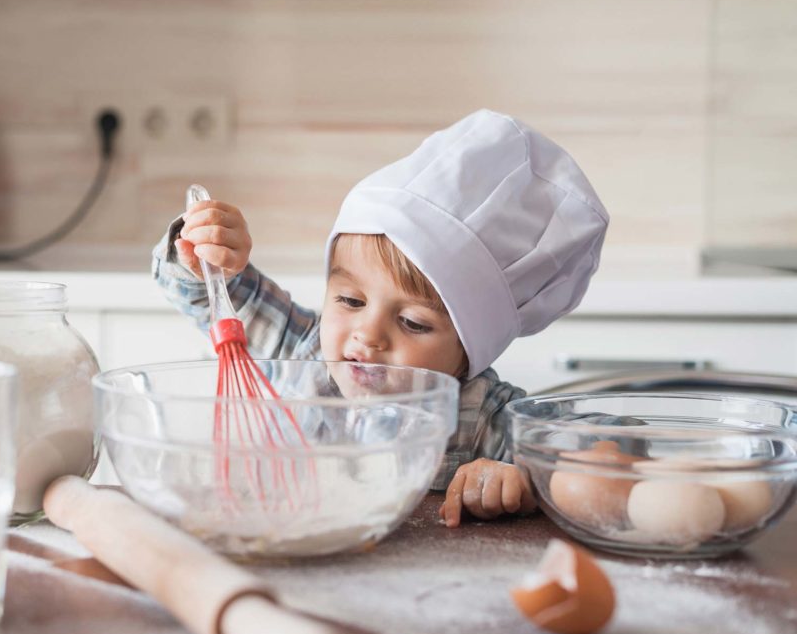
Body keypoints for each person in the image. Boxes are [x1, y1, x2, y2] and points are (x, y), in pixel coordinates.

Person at [151, 109, 609, 527]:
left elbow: (605, 455)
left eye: (412, 322)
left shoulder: (484, 417)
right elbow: (195, 289)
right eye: (350, 301)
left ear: (471, 350)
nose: (368, 335)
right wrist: (202, 251)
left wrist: (519, 480)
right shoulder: (300, 351)